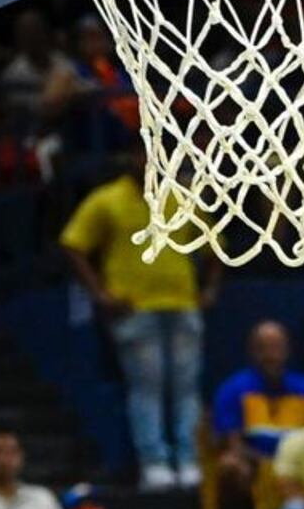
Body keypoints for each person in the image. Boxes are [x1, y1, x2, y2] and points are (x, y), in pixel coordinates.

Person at [62, 158, 213, 489]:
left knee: (186, 389)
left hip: (183, 304)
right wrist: (99, 293)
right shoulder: (107, 199)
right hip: (135, 309)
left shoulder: (183, 195)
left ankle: (188, 460)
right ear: (130, 157)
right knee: (147, 389)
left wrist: (211, 288)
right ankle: (154, 462)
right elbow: (73, 244)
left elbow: (213, 244)